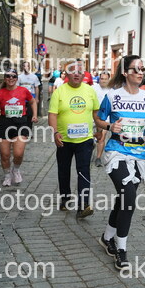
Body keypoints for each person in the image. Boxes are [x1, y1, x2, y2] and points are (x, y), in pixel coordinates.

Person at [93, 55, 145, 270]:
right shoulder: (113, 96)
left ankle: (107, 237)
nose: (140, 73)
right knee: (129, 198)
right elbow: (98, 118)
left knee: (124, 198)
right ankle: (121, 250)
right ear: (125, 72)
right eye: (135, 69)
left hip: (138, 155)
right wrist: (109, 127)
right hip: (117, 151)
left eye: (142, 69)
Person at [48, 61, 100, 219]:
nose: (76, 74)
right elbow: (52, 115)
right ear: (67, 74)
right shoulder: (59, 92)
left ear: (84, 74)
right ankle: (65, 198)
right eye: (73, 71)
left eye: (79, 72)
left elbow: (96, 113)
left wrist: (100, 130)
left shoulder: (90, 91)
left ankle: (83, 205)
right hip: (64, 140)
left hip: (85, 139)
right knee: (64, 170)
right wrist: (55, 132)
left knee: (83, 171)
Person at [0, 68, 37, 187]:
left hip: (21, 123)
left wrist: (34, 115)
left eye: (13, 76)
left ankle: (16, 170)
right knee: (5, 155)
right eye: (8, 76)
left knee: (18, 153)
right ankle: (7, 175)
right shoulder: (0, 93)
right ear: (5, 79)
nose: (11, 78)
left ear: (17, 78)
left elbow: (32, 101)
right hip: (4, 123)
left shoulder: (23, 91)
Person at [92, 71, 111, 167]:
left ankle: (98, 158)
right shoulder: (93, 88)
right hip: (92, 116)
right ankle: (92, 143)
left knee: (102, 137)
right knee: (91, 137)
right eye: (101, 79)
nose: (103, 81)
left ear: (109, 80)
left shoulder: (112, 90)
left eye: (105, 79)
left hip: (105, 117)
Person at [17, 61, 41, 131]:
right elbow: (17, 88)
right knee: (22, 114)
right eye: (24, 66)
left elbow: (36, 87)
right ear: (22, 67)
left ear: (29, 67)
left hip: (31, 98)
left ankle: (28, 131)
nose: (26, 68)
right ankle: (22, 130)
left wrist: (37, 98)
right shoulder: (19, 77)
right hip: (22, 98)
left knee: (30, 115)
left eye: (27, 66)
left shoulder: (34, 77)